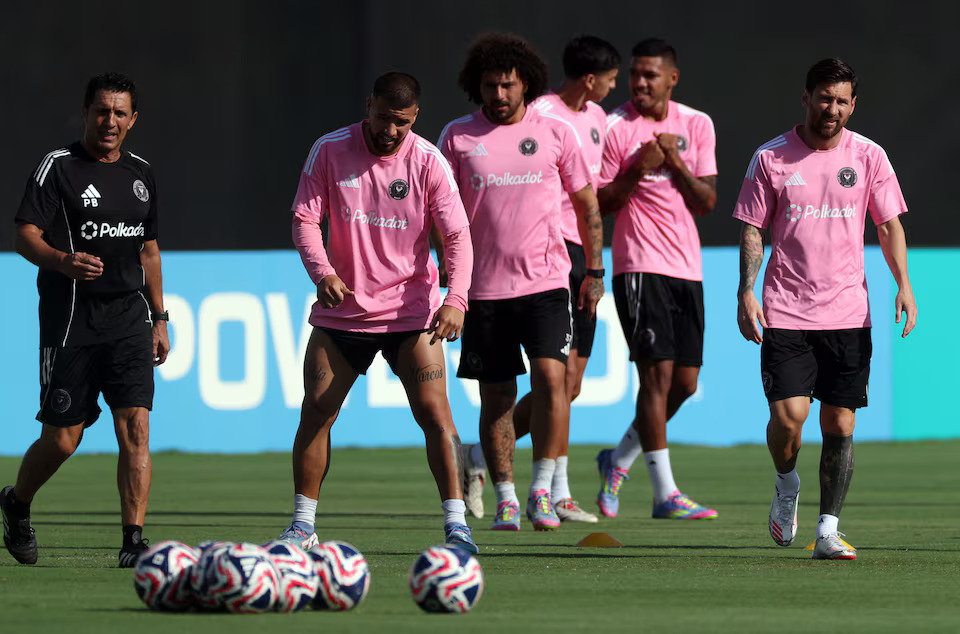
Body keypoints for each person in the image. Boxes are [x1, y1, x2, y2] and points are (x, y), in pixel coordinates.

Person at [281, 72, 478, 554]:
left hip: (411, 314)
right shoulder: (329, 150)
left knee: (435, 414)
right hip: (344, 312)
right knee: (317, 410)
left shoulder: (428, 160)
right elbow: (305, 219)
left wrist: (456, 299)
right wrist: (322, 272)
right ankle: (303, 527)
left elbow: (457, 235)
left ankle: (457, 527)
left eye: (402, 122)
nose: (391, 131)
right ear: (368, 105)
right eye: (384, 118)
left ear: (415, 118)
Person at [734, 58, 916, 560]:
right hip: (786, 311)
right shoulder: (770, 157)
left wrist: (904, 285)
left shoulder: (869, 156)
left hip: (849, 315)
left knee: (841, 425)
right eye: (824, 98)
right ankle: (786, 483)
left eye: (841, 101)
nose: (831, 108)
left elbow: (889, 225)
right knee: (789, 420)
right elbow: (752, 228)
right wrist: (746, 291)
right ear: (806, 98)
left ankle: (828, 530)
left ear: (853, 105)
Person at [1, 72, 169, 568]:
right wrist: (62, 261)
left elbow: (149, 251)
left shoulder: (142, 174)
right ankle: (16, 503)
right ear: (86, 113)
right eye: (102, 111)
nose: (109, 121)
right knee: (63, 439)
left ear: (133, 120)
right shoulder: (58, 167)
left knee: (135, 427)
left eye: (119, 113)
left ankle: (133, 542)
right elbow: (24, 235)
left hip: (129, 321)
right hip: (71, 321)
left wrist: (160, 318)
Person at [439, 33, 605, 531]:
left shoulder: (555, 132)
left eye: (507, 85)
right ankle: (506, 498)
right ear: (477, 86)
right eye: (490, 85)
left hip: (547, 284)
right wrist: (447, 271)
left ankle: (541, 491)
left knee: (554, 380)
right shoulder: (457, 137)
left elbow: (587, 206)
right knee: (498, 400)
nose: (498, 94)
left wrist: (595, 272)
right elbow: (437, 213)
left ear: (526, 84)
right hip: (483, 291)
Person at [594, 38, 718, 520]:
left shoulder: (697, 123)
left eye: (650, 75)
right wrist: (635, 169)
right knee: (656, 376)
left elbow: (706, 202)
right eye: (635, 74)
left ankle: (618, 459)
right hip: (639, 264)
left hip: (687, 267)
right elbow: (599, 202)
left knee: (684, 384)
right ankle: (665, 493)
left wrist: (675, 162)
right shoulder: (614, 126)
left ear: (672, 79)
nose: (640, 83)